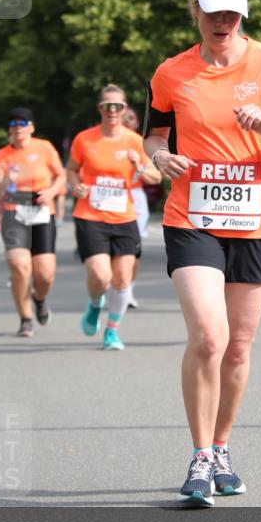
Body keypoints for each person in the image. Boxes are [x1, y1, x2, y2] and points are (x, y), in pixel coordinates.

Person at [144, 0, 261, 506]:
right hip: (192, 217)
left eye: (233, 13)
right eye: (214, 12)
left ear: (244, 13)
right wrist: (160, 157)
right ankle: (198, 458)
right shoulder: (171, 73)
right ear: (195, 10)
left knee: (238, 347)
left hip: (255, 222)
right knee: (209, 337)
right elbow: (154, 138)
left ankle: (222, 446)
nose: (224, 23)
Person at [67, 84, 160, 350]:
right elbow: (71, 170)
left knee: (122, 278)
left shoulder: (134, 141)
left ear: (124, 109)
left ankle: (112, 332)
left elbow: (156, 176)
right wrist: (76, 185)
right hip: (90, 215)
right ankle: (95, 304)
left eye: (117, 106)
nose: (112, 111)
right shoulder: (84, 139)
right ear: (100, 109)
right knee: (100, 276)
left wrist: (139, 165)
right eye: (107, 106)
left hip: (124, 217)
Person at [0, 108, 66, 338]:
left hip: (42, 212)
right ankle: (25, 318)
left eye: (23, 123)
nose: (18, 127)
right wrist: (4, 181)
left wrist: (52, 192)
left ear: (31, 127)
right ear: (9, 129)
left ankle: (39, 299)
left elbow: (61, 175)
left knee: (44, 274)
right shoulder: (1, 156)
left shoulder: (44, 148)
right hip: (14, 214)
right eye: (13, 124)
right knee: (20, 269)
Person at [121, 106, 152, 308]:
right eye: (124, 118)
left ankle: (128, 290)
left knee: (134, 248)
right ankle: (115, 284)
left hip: (135, 198)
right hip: (110, 199)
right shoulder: (107, 140)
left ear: (137, 123)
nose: (126, 121)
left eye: (131, 118)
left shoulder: (142, 144)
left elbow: (154, 176)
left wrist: (138, 166)